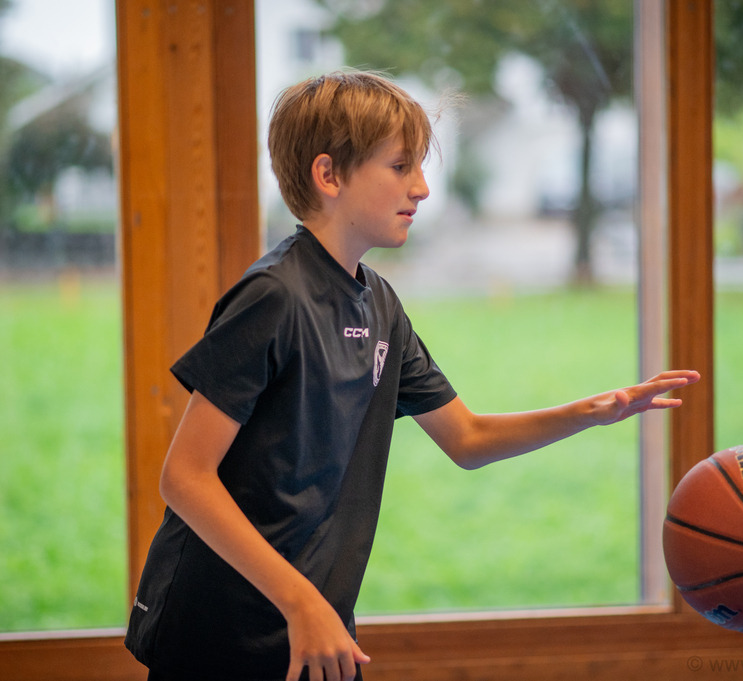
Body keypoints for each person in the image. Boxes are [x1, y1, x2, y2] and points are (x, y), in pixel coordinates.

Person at [124, 70, 700, 681]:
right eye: (401, 167)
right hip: (220, 629)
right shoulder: (273, 297)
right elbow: (184, 478)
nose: (422, 188)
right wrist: (301, 602)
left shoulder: (379, 303)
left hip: (315, 624)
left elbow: (468, 439)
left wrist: (595, 411)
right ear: (329, 176)